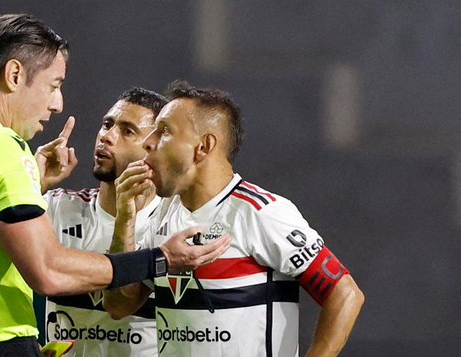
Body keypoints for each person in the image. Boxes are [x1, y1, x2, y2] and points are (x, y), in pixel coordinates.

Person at [0, 14, 230, 356]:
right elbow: (48, 272)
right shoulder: (2, 147)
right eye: (54, 85)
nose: (57, 103)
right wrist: (159, 260)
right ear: (15, 75)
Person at [104, 81, 365, 357]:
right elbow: (119, 306)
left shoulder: (259, 212)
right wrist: (125, 221)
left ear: (203, 146)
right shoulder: (163, 214)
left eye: (165, 131)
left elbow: (345, 294)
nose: (148, 142)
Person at [41, 87, 167, 356]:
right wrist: (33, 184)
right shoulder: (58, 207)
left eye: (127, 130)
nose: (107, 137)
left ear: (154, 148)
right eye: (107, 124)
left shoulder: (171, 222)